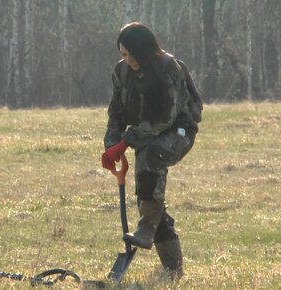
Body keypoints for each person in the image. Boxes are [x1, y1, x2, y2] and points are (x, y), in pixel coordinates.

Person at [102, 22, 199, 280]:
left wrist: (127, 142)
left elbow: (165, 118)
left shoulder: (169, 68)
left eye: (132, 54)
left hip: (178, 131)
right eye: (123, 54)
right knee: (148, 193)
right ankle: (173, 271)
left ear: (145, 50)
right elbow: (116, 112)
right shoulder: (121, 72)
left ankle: (146, 228)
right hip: (145, 136)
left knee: (150, 159)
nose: (128, 60)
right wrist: (112, 145)